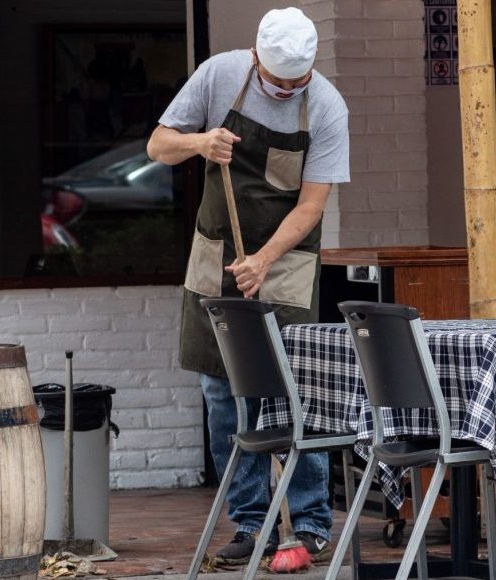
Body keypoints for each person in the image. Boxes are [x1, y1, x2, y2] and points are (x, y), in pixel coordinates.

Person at [146, 6, 349, 565]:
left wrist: (263, 259)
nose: (286, 91)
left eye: (297, 83)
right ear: (256, 59)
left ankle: (308, 521)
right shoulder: (218, 76)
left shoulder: (327, 105)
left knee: (295, 387)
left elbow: (311, 205)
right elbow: (156, 146)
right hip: (215, 255)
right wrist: (199, 143)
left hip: (285, 259)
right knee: (222, 390)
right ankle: (249, 520)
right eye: (276, 82)